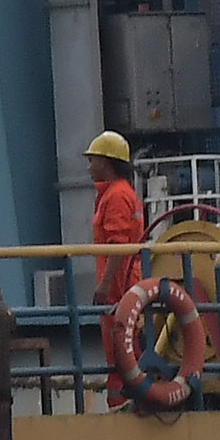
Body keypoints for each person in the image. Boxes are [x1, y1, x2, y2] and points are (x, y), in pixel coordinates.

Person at [86, 130, 146, 319]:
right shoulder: (122, 192)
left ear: (104, 162)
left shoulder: (116, 196)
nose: (89, 168)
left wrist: (105, 284)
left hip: (119, 284)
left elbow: (118, 243)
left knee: (119, 341)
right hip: (126, 278)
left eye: (92, 161)